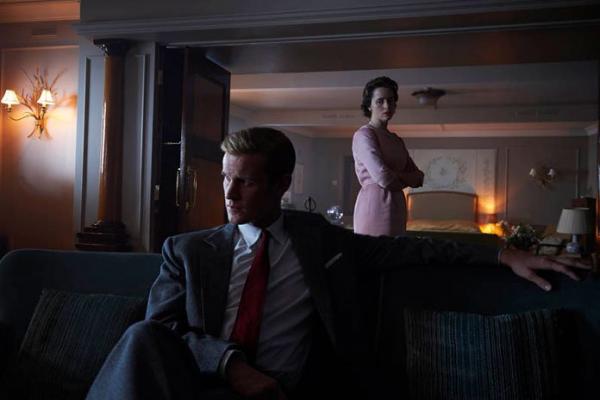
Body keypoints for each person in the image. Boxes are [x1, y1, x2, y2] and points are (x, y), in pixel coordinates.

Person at [86, 127, 589, 400]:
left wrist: (502, 252)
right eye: (225, 178)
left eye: (247, 182)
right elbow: (165, 331)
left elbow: (416, 248)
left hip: (285, 390)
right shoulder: (188, 250)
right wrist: (229, 365)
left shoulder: (321, 242)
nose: (229, 194)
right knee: (141, 336)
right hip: (198, 381)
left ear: (282, 184)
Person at [352, 76, 424, 236]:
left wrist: (395, 176)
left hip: (397, 206)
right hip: (374, 206)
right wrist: (404, 177)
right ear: (369, 105)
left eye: (391, 101)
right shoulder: (364, 135)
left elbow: (419, 178)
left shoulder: (396, 140)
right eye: (380, 101)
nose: (387, 106)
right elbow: (384, 178)